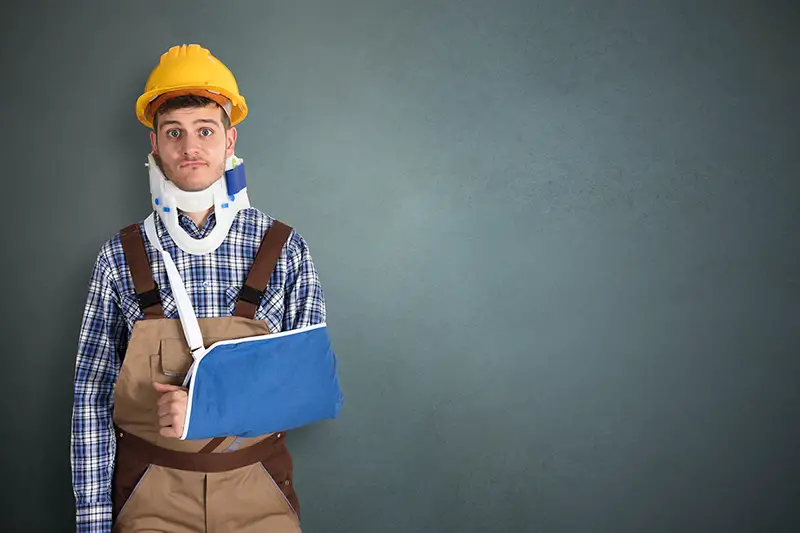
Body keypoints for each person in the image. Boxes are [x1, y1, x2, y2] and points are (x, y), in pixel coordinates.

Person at [70, 44, 340, 533]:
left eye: (205, 130)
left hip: (258, 493)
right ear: (155, 146)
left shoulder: (284, 248)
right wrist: (92, 521)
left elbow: (313, 389)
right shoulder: (119, 256)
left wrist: (208, 407)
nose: (189, 147)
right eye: (173, 133)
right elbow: (91, 396)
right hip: (149, 496)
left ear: (229, 139)